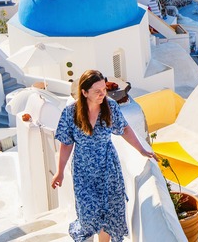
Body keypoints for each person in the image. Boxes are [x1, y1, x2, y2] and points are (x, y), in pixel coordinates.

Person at [51, 70, 155, 242]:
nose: (102, 94)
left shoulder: (110, 106)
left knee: (109, 213)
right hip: (83, 171)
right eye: (97, 91)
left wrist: (141, 150)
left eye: (104, 89)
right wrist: (60, 171)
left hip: (108, 167)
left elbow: (124, 129)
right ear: (84, 92)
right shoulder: (71, 113)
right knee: (88, 214)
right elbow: (66, 143)